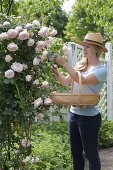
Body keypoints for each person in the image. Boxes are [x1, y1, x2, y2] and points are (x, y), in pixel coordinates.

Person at [51, 32, 108, 170]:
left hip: (89, 117)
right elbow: (66, 82)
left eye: (87, 46)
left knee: (91, 154)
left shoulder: (101, 70)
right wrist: (57, 73)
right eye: (84, 46)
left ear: (96, 50)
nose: (84, 49)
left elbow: (81, 80)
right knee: (75, 154)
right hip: (74, 114)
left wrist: (64, 64)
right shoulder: (80, 64)